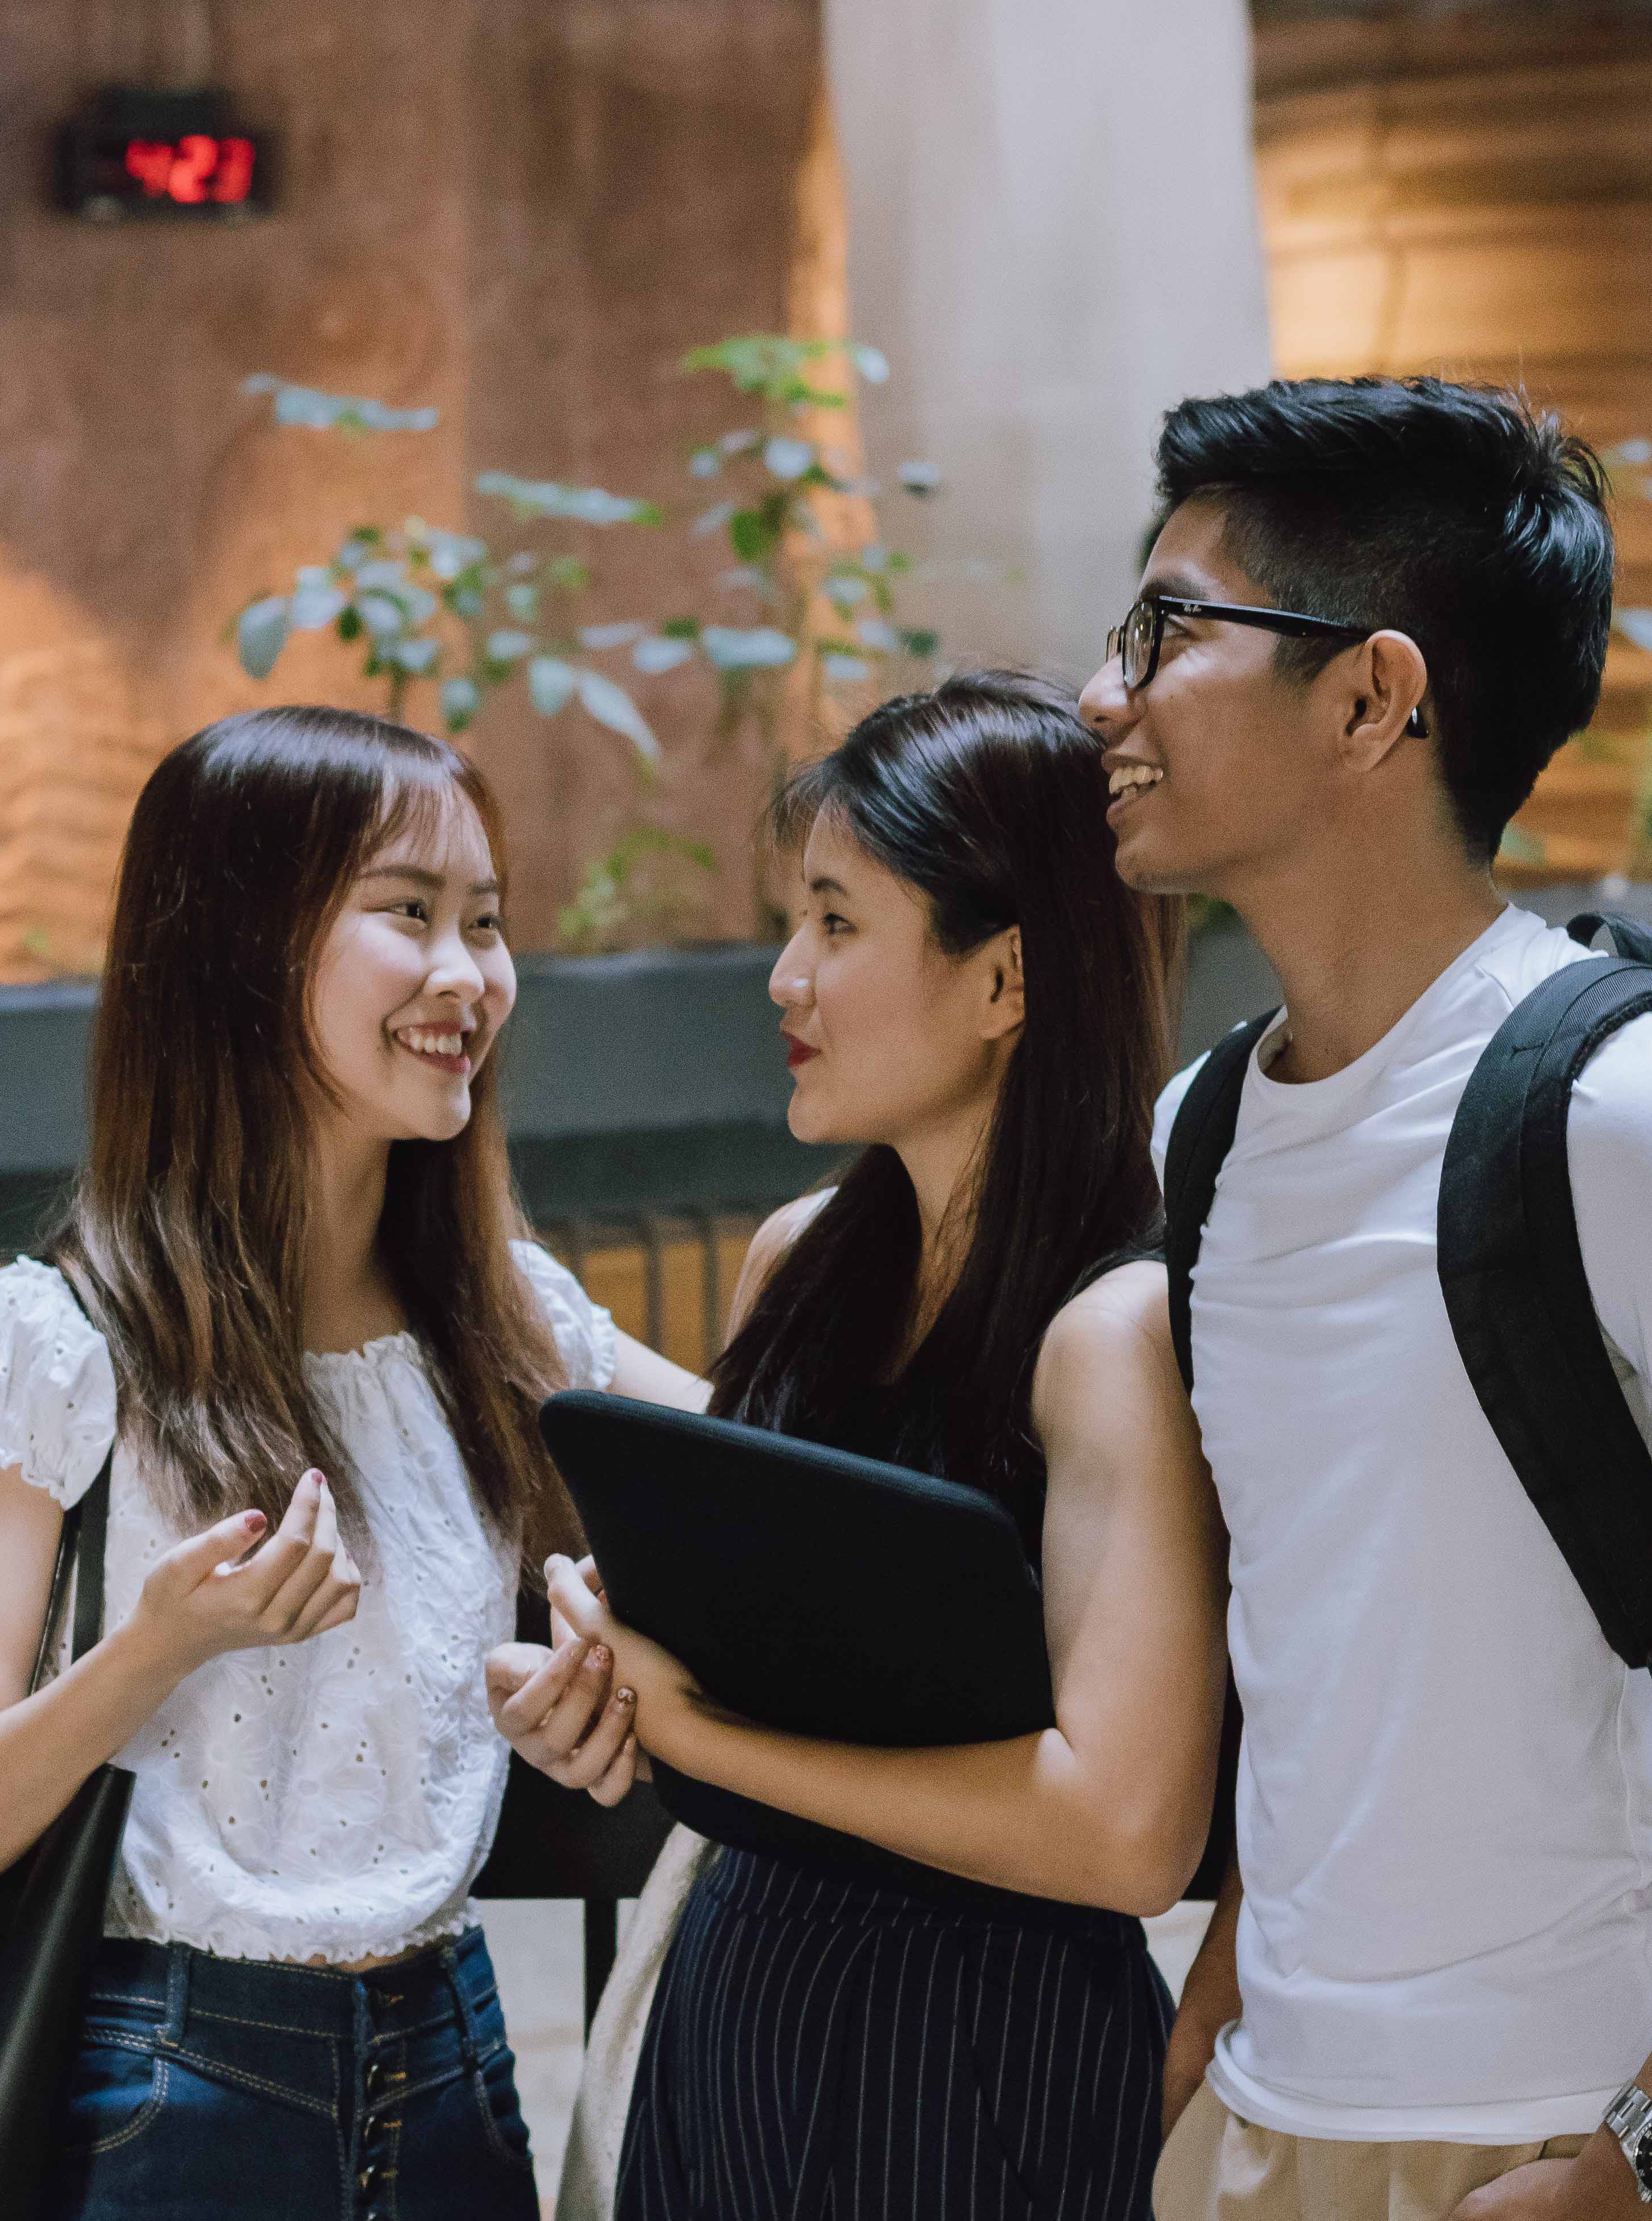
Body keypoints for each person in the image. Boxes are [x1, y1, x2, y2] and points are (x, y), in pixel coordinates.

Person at [1082, 377, 1652, 2221]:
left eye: (1171, 629)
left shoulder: (1627, 1108)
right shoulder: (1202, 1136)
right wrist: (1213, 2033)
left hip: (1585, 2133)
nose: (1107, 695)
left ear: (1368, 696)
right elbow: (1328, 1647)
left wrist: (1640, 2172)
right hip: (1265, 2127)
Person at [0, 707, 704, 2220]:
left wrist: (625, 1668)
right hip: (173, 2089)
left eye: (487, 922)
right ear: (239, 946)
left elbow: (771, 1487)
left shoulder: (500, 1317)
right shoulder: (46, 1348)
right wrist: (158, 1647)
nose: (467, 977)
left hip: (455, 2054)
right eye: (409, 915)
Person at [506, 673, 1228, 2221]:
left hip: (979, 2045)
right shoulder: (798, 1260)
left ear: (1003, 979)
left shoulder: (1113, 1332)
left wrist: (702, 1740)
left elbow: (1123, 1831)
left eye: (836, 923)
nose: (784, 977)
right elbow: (757, 1640)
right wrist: (608, 1660)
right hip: (740, 1987)